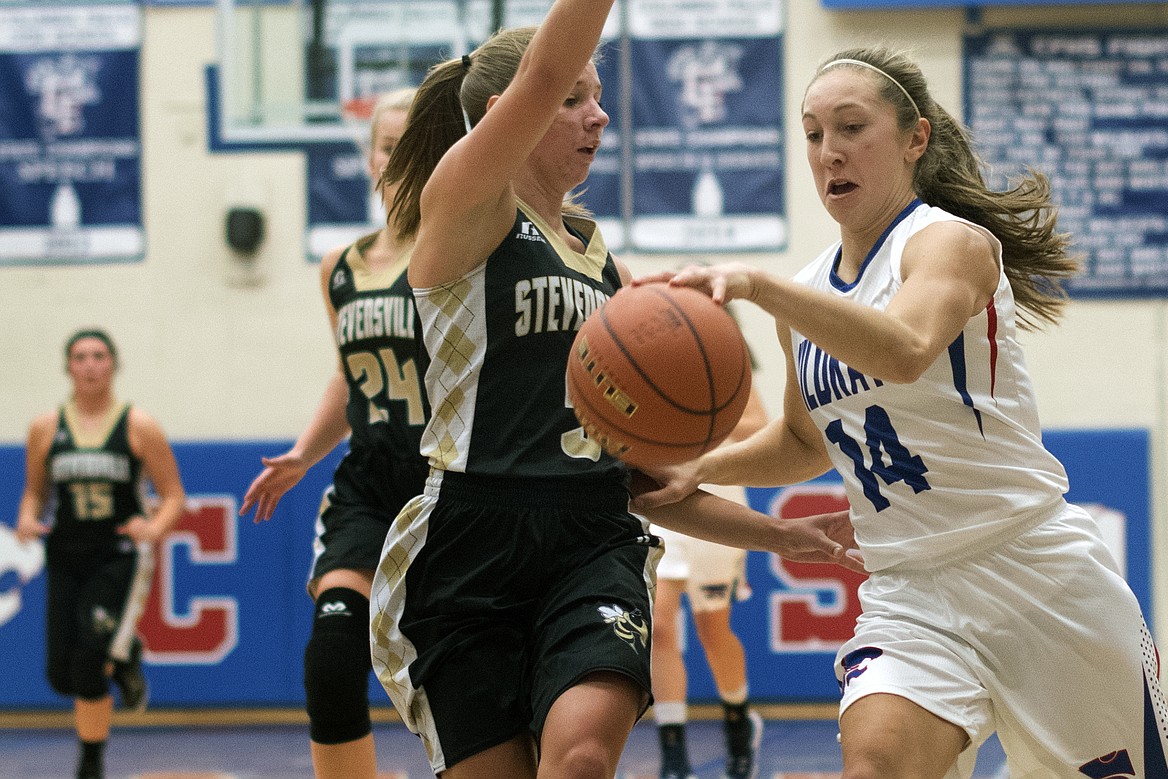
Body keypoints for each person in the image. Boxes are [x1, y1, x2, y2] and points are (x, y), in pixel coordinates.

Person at [633, 45, 1168, 778]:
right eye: (814, 133)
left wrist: (759, 286)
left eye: (851, 128)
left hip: (1036, 575)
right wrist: (700, 464)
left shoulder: (949, 243)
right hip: (910, 592)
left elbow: (908, 347)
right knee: (876, 761)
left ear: (916, 138)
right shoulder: (811, 286)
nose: (829, 153)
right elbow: (801, 440)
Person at [366, 5, 863, 777]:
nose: (598, 114)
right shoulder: (464, 203)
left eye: (599, 96)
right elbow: (540, 69)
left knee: (584, 754)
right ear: (505, 117)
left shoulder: (600, 262)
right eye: (573, 97)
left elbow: (641, 480)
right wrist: (560, 62)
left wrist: (785, 537)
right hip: (467, 540)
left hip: (591, 540)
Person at [239, 87, 429, 779]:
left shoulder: (463, 251)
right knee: (332, 654)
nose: (400, 156)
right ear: (371, 158)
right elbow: (352, 377)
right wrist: (300, 453)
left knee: (467, 681)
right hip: (371, 483)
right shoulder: (340, 268)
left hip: (455, 483)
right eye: (388, 145)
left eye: (416, 143)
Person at [15, 329, 186, 779]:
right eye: (80, 357)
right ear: (67, 366)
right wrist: (27, 520)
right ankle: (126, 652)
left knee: (90, 661)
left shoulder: (138, 425)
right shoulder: (45, 427)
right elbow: (34, 492)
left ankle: (90, 763)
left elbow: (173, 496)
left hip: (116, 554)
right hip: (65, 552)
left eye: (99, 356)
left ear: (114, 364)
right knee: (60, 675)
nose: (90, 364)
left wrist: (153, 527)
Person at [651, 382, 768, 779]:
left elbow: (759, 426)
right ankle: (672, 750)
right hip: (659, 502)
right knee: (661, 625)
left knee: (712, 629)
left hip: (717, 500)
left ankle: (738, 720)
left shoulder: (721, 348)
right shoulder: (643, 348)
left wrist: (696, 416)